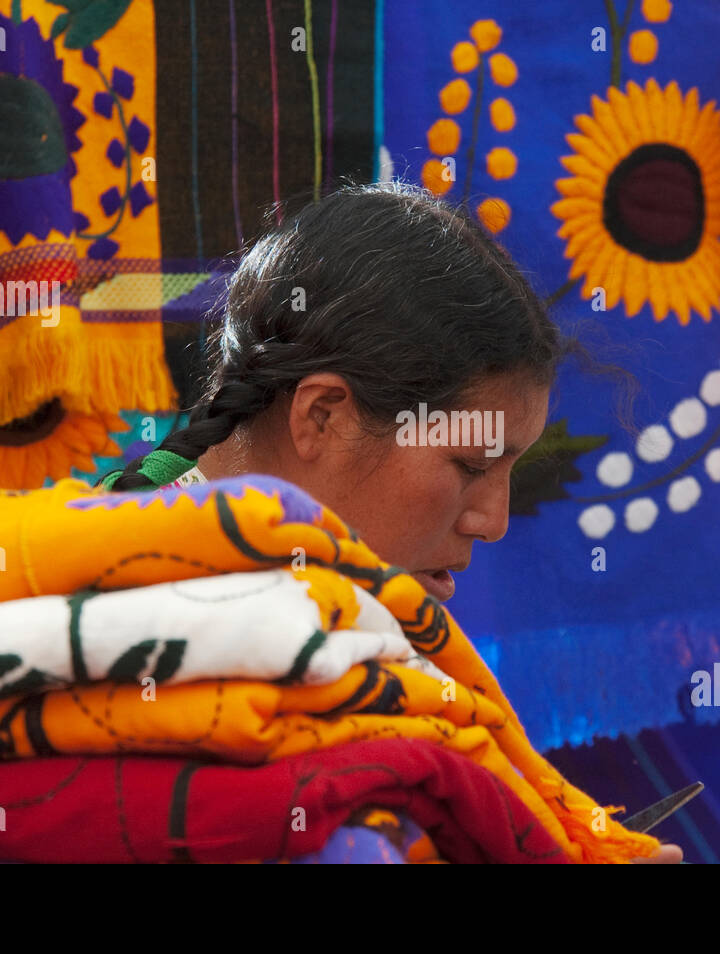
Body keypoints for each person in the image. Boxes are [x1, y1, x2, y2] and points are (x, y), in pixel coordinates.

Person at [102, 179, 682, 862]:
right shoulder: (129, 625)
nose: (493, 521)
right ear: (323, 417)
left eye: (507, 475)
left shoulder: (354, 642)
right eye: (469, 466)